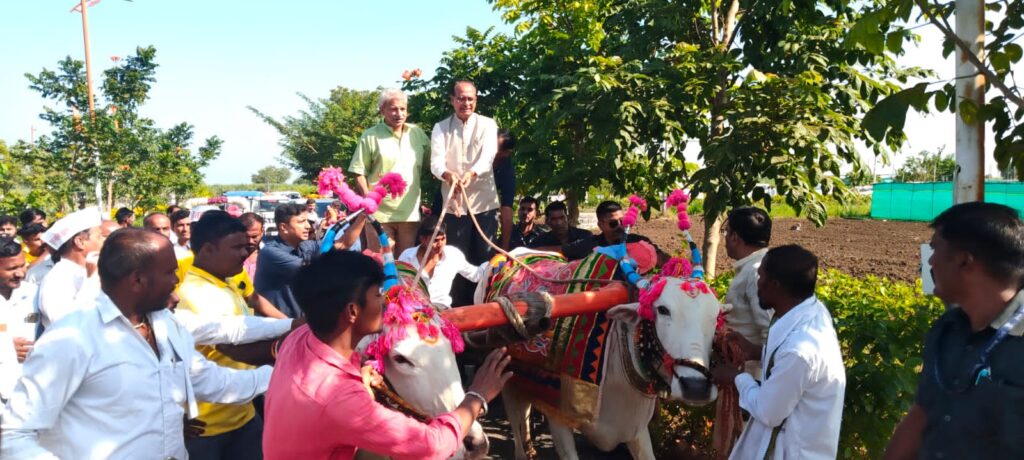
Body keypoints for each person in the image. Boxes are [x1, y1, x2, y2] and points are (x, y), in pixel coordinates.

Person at [0, 228, 272, 460]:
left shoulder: (166, 326)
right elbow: (16, 434)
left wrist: (289, 369)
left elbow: (215, 382)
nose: (177, 282)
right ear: (137, 280)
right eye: (169, 273)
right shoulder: (71, 339)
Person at [262, 250, 512, 459]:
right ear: (352, 311)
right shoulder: (340, 398)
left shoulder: (299, 338)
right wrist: (477, 395)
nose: (387, 303)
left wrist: (361, 373)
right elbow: (431, 446)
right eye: (378, 295)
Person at [884, 202, 1024, 459]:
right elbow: (922, 413)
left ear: (964, 261)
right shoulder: (946, 330)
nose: (930, 262)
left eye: (935, 248)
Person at [710, 245, 846, 460]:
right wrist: (756, 351)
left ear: (774, 285)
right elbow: (792, 372)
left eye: (760, 275)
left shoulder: (800, 351)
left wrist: (736, 377)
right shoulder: (811, 311)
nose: (757, 283)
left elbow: (768, 412)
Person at [175, 211, 288, 460]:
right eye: (236, 247)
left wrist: (291, 327)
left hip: (242, 413)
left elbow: (244, 325)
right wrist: (291, 355)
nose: (244, 253)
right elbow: (231, 344)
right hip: (206, 426)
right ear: (207, 250)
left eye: (246, 246)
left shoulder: (225, 280)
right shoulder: (195, 294)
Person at [349, 88, 429, 255]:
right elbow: (358, 172)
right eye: (393, 109)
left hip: (409, 213)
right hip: (380, 214)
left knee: (406, 267)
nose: (398, 113)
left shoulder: (417, 133)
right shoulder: (370, 136)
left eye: (402, 109)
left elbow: (433, 165)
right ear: (382, 110)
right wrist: (368, 201)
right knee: (381, 265)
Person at [430, 81, 500, 267]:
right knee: (455, 257)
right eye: (461, 98)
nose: (466, 103)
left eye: (470, 99)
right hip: (454, 206)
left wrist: (472, 173)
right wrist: (447, 174)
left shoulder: (488, 125)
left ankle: (486, 296)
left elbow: (488, 156)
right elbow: (436, 162)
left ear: (476, 100)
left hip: (484, 204)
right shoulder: (440, 128)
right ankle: (457, 297)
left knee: (485, 257)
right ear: (453, 100)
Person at [255, 203, 362, 318]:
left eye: (307, 221)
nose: (308, 226)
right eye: (301, 222)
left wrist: (363, 216)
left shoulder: (306, 246)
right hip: (276, 327)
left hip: (297, 324)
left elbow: (342, 244)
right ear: (283, 227)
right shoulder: (271, 252)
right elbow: (313, 272)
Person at [723, 206, 774, 377]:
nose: (725, 239)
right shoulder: (755, 267)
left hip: (751, 377)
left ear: (735, 237)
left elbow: (769, 329)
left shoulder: (756, 272)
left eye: (726, 232)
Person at [36, 207, 106, 328]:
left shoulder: (99, 270)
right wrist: (90, 281)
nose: (104, 241)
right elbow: (65, 323)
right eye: (99, 237)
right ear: (80, 242)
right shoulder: (56, 279)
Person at [398, 217, 483, 309]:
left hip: (443, 309)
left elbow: (476, 275)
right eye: (435, 240)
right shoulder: (407, 256)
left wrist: (493, 265)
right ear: (423, 239)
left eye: (443, 239)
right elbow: (397, 284)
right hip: (414, 310)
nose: (440, 244)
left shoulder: (453, 255)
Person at [558, 201, 670, 265]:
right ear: (600, 225)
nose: (620, 226)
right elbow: (562, 250)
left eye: (623, 221)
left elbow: (663, 260)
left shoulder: (640, 242)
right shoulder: (590, 245)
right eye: (613, 223)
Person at [0, 237, 39, 402]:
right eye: (11, 269)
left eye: (22, 266)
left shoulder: (34, 294)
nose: (20, 273)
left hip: (28, 389)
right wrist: (7, 346)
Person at [527, 200, 592, 251]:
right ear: (547, 221)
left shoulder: (585, 236)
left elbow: (600, 250)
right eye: (553, 219)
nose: (559, 223)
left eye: (561, 218)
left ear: (567, 217)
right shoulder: (540, 242)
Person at [494, 129, 517, 250]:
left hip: (484, 213)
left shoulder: (507, 169)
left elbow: (506, 208)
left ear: (507, 153)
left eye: (496, 150)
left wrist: (504, 249)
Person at [239, 212, 264, 281]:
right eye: (246, 237)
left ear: (262, 232)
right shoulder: (229, 256)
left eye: (254, 236)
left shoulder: (270, 255)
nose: (250, 241)